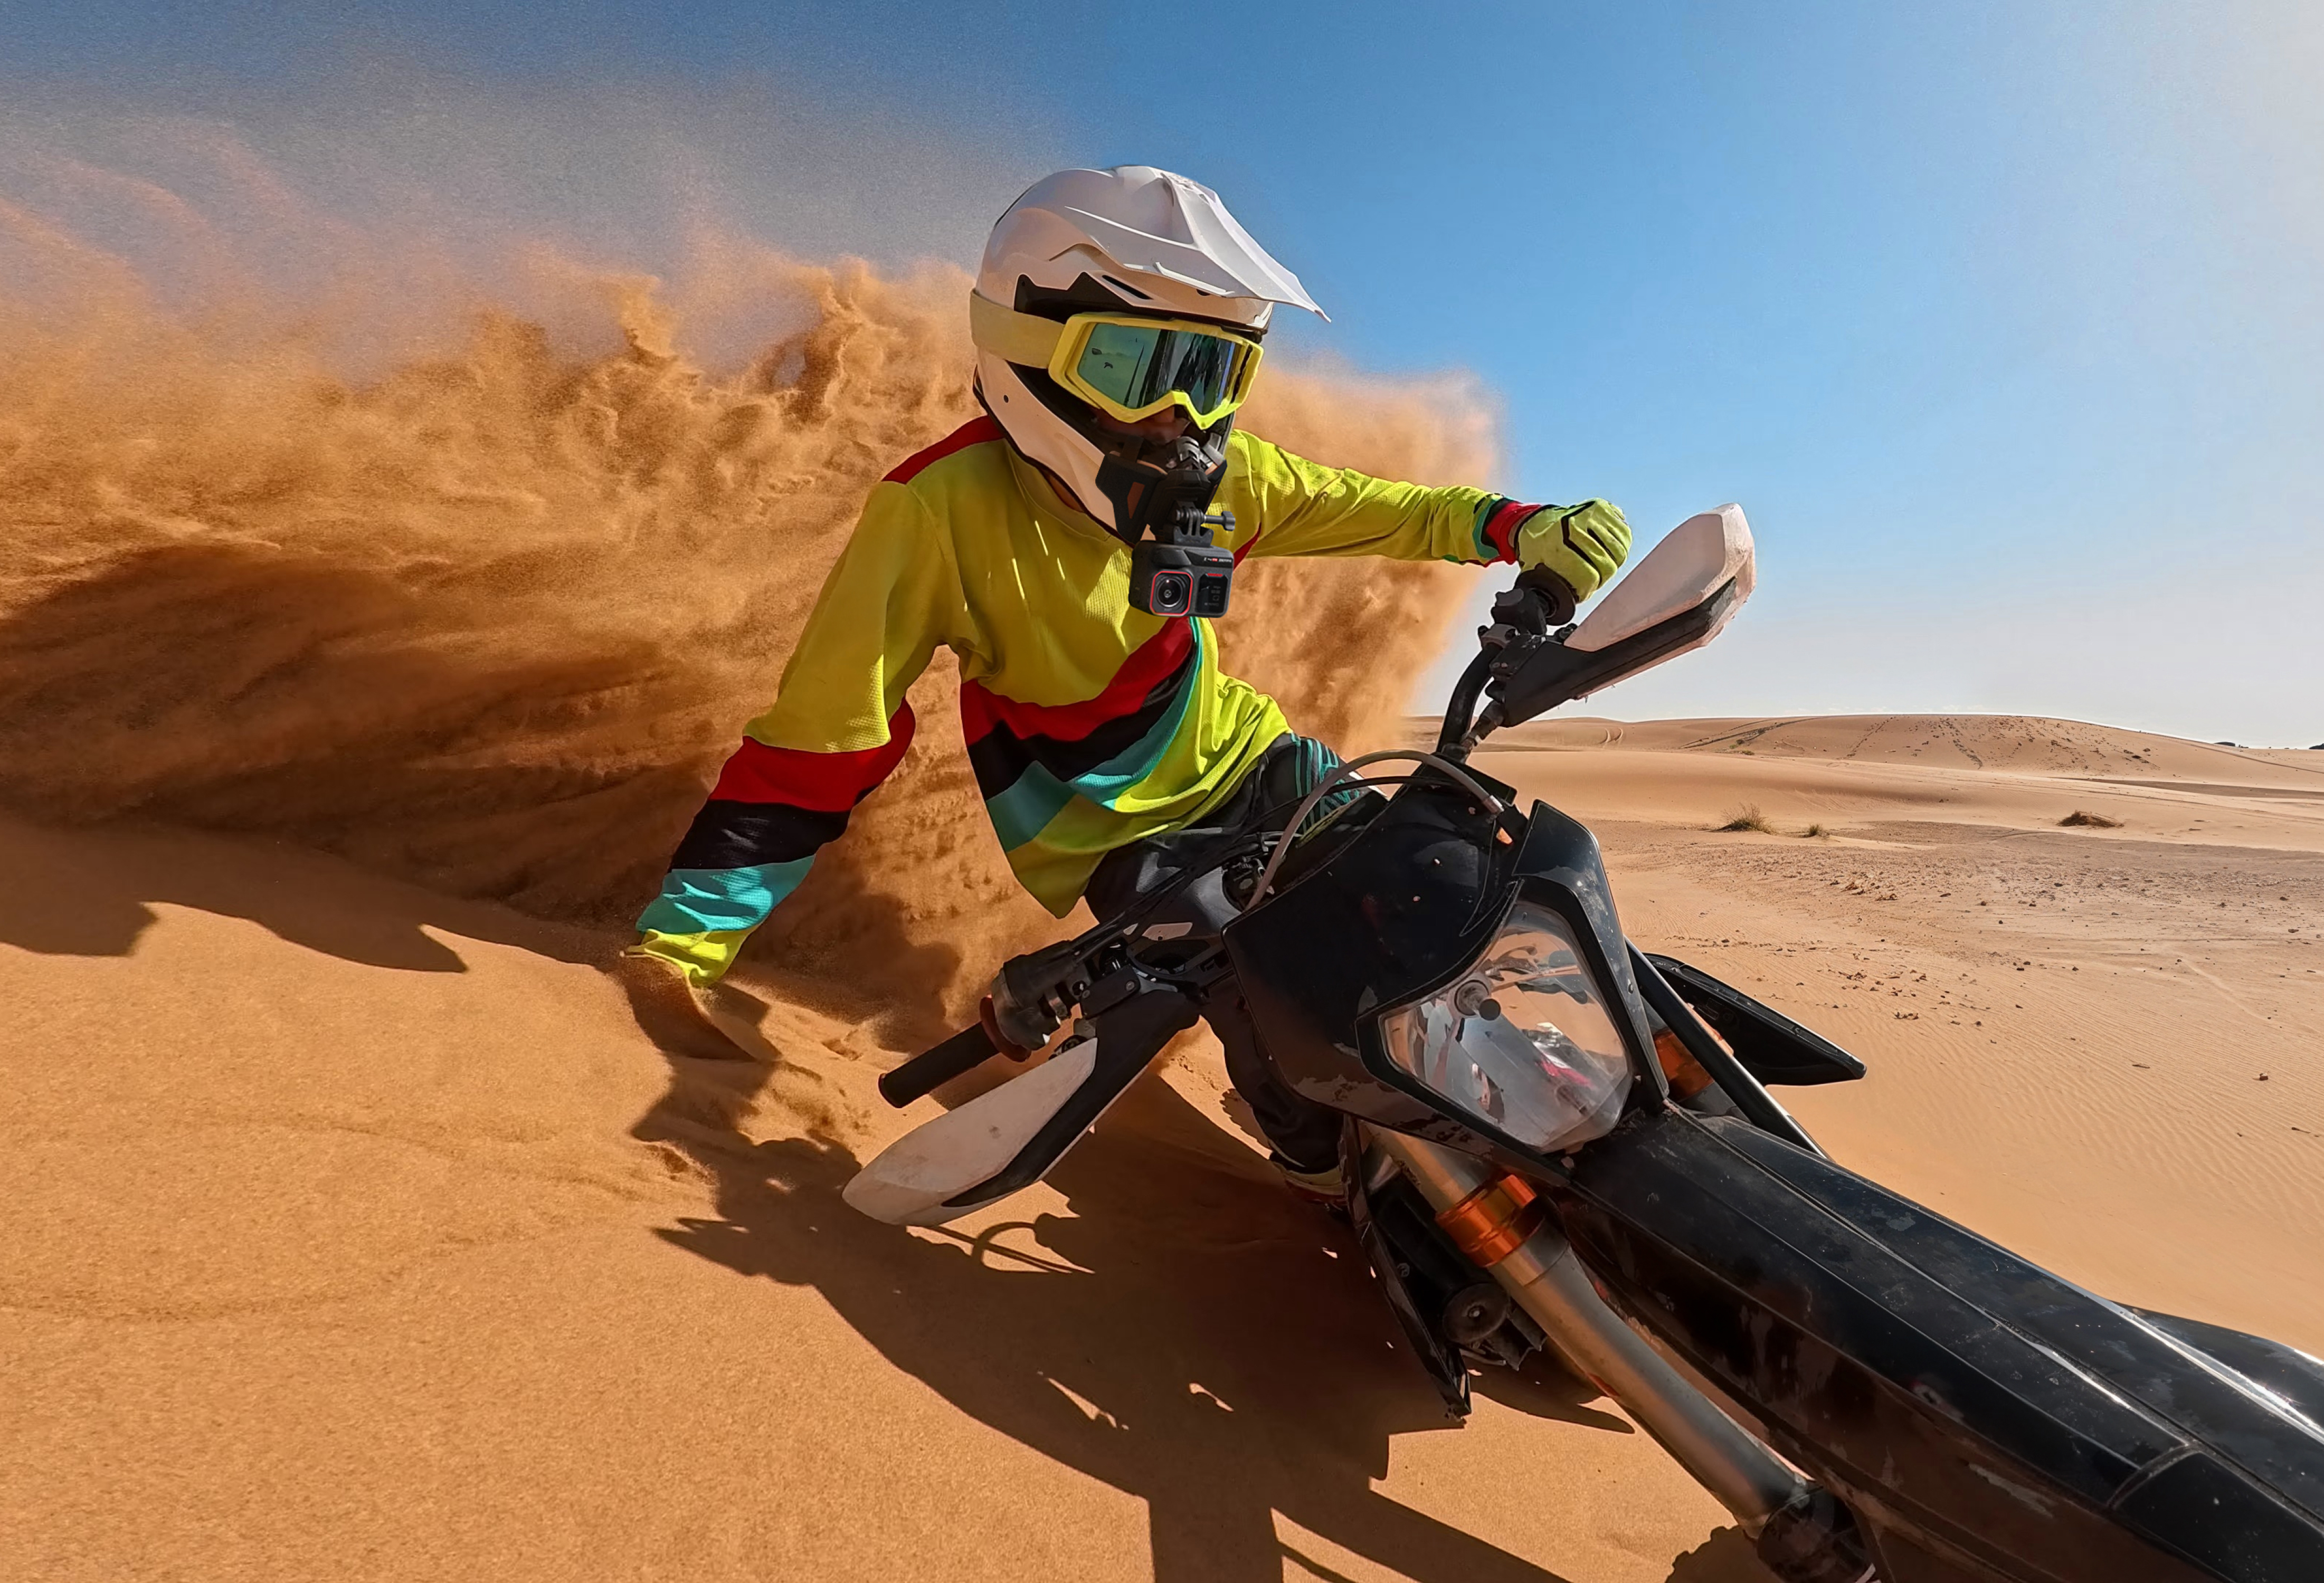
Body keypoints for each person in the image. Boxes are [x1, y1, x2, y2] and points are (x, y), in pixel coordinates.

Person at [618, 165, 1629, 1197]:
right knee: (1280, 1021)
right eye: (1138, 367)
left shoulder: (1227, 483)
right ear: (1027, 344)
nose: (1183, 415)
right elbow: (818, 749)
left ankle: (1579, 1082)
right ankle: (1349, 1174)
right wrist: (685, 947)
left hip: (1271, 770)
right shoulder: (939, 511)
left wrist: (1518, 527)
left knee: (1453, 895)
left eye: (1216, 372)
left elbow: (1390, 511)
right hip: (1119, 843)